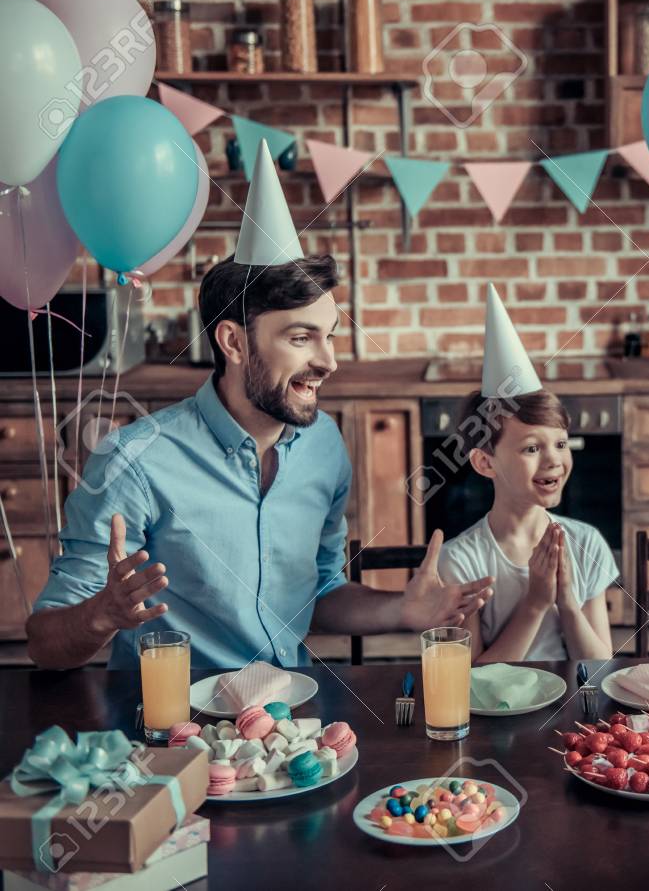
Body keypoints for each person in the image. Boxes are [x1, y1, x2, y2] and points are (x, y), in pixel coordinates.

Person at [27, 140, 489, 671]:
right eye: (301, 338)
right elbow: (44, 645)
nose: (328, 362)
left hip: (290, 726)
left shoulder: (323, 444)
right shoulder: (133, 461)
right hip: (176, 736)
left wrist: (404, 610)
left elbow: (317, 596)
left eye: (330, 336)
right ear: (234, 342)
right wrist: (103, 614)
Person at [437, 286, 616, 662]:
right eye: (532, 448)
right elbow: (471, 679)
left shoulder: (587, 544)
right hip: (497, 720)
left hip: (573, 713)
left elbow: (600, 668)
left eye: (561, 444)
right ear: (485, 463)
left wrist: (567, 602)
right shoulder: (460, 562)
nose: (553, 460)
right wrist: (535, 602)